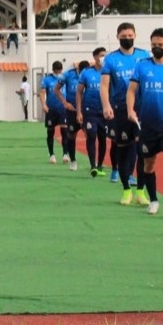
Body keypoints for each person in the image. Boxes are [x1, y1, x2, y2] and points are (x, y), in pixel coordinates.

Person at [127, 28, 163, 216]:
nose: (157, 48)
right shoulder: (141, 66)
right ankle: (153, 200)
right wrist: (130, 110)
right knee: (148, 165)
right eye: (154, 45)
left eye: (160, 45)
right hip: (147, 125)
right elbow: (132, 91)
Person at [101, 23, 150, 205]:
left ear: (135, 35)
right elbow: (104, 85)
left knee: (142, 150)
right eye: (124, 35)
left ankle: (141, 191)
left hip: (141, 110)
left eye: (130, 35)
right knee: (123, 150)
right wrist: (106, 105)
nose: (127, 38)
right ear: (118, 37)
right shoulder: (111, 59)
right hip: (120, 110)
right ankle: (126, 190)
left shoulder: (144, 56)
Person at [76, 47, 108, 177]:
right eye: (101, 55)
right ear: (95, 57)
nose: (103, 58)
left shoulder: (108, 72)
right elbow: (79, 92)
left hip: (105, 111)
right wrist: (79, 112)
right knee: (92, 135)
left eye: (105, 55)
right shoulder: (86, 72)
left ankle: (100, 165)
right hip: (90, 110)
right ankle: (93, 166)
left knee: (103, 139)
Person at [40, 61, 69, 163]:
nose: (58, 72)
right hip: (51, 109)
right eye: (57, 71)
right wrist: (43, 104)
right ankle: (51, 155)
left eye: (60, 71)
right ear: (53, 70)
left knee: (64, 131)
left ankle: (65, 154)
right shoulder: (47, 79)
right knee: (50, 132)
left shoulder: (64, 78)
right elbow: (42, 92)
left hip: (63, 109)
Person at [61, 59, 82, 170]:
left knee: (91, 136)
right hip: (72, 111)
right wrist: (65, 102)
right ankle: (73, 160)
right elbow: (57, 89)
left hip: (87, 111)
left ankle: (94, 164)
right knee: (71, 135)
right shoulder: (68, 74)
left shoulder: (92, 73)